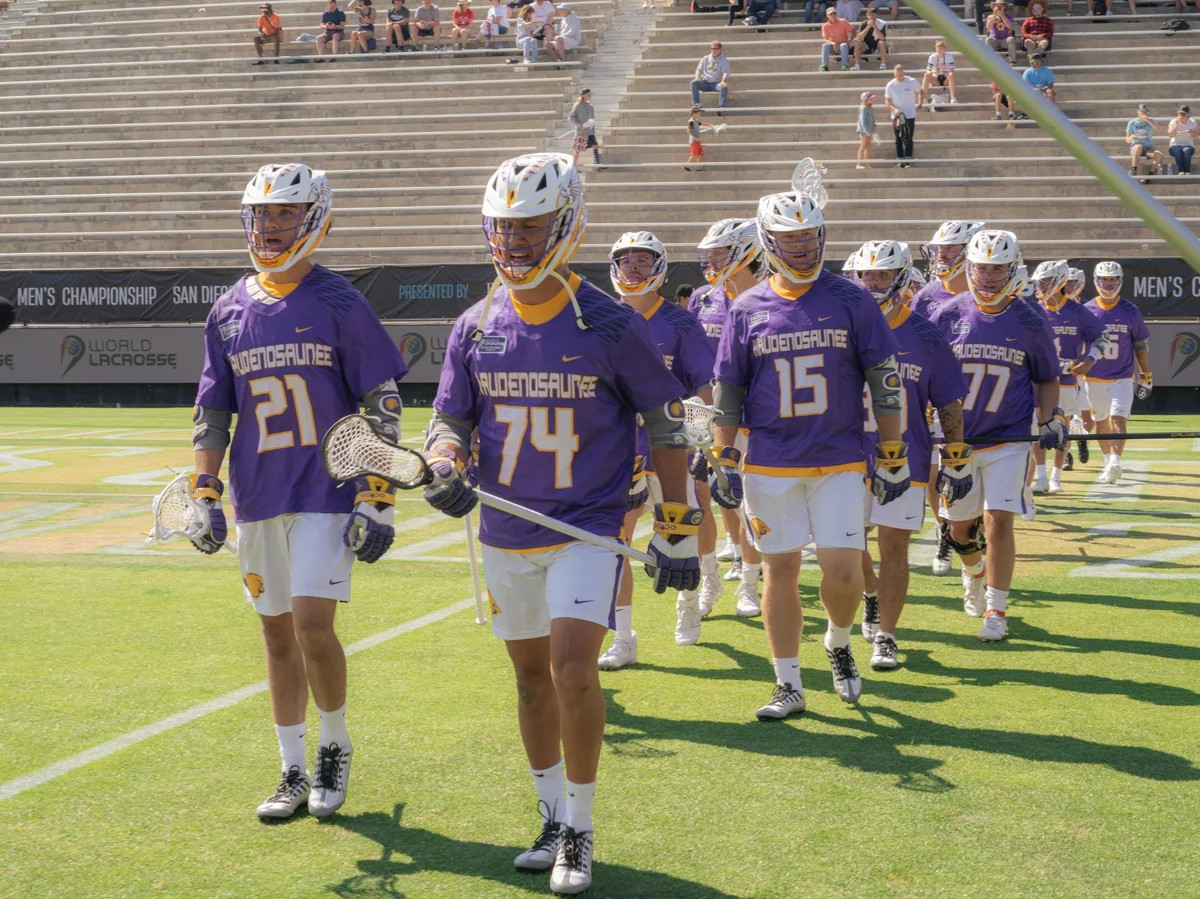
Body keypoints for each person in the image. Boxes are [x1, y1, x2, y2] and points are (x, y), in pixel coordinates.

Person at [423, 152, 699, 895]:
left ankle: (580, 824)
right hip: (508, 529)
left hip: (587, 524)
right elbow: (449, 418)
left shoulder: (606, 320)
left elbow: (666, 424)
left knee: (572, 668)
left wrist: (677, 521)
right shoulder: (475, 323)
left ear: (566, 223)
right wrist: (444, 461)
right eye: (505, 228)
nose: (514, 242)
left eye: (531, 226)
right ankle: (548, 815)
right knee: (527, 679)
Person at [192, 163, 409, 820]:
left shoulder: (341, 301)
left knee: (314, 627)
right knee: (278, 635)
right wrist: (205, 489)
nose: (271, 226)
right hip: (259, 493)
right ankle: (289, 766)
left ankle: (334, 744)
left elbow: (383, 400)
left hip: (326, 488)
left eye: (284, 213)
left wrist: (379, 491)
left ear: (314, 217)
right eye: (263, 214)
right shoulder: (228, 310)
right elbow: (213, 413)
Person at [713, 189, 909, 719]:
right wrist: (723, 455)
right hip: (770, 462)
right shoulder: (747, 307)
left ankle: (839, 642)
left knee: (844, 572)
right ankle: (787, 682)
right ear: (767, 242)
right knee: (780, 570)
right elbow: (728, 389)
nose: (801, 248)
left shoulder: (852, 299)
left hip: (839, 457)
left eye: (808, 236)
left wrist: (893, 449)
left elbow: (886, 381)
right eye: (789, 239)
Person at [928, 230, 1066, 642]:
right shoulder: (947, 314)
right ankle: (974, 571)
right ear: (968, 268)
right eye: (982, 268)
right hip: (956, 441)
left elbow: (1046, 376)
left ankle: (996, 608)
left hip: (1008, 438)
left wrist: (1050, 417)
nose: (988, 277)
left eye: (997, 269)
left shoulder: (1029, 317)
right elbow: (927, 377)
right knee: (958, 529)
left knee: (999, 520)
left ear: (1012, 269)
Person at [847, 240, 969, 670]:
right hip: (845, 455)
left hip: (907, 456)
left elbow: (950, 401)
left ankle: (887, 636)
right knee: (849, 543)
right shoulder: (842, 326)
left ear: (899, 277)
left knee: (893, 546)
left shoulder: (926, 333)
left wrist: (956, 457)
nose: (873, 282)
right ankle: (871, 594)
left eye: (881, 275)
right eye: (866, 275)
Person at [600, 232, 716, 660]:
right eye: (624, 258)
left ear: (661, 267)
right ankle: (624, 637)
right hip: (618, 450)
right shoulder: (600, 319)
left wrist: (700, 440)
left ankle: (688, 605)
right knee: (616, 540)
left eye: (642, 259)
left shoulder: (681, 322)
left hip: (669, 450)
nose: (632, 266)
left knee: (681, 534)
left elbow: (703, 385)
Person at [690, 218, 768, 618]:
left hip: (755, 412)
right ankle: (725, 564)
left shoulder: (770, 297)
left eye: (722, 251)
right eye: (713, 252)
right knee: (709, 492)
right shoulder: (702, 298)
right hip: (706, 411)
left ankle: (751, 582)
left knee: (750, 498)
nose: (713, 260)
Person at [911, 220, 985, 574]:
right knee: (931, 471)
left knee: (976, 473)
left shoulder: (992, 293)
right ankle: (944, 529)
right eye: (940, 250)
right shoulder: (926, 296)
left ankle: (967, 529)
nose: (943, 257)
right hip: (938, 397)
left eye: (951, 249)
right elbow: (912, 346)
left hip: (984, 400)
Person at [1029, 259, 1107, 495]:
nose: (1041, 287)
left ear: (1059, 282)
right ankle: (1040, 476)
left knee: (1061, 429)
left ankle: (1056, 476)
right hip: (1037, 380)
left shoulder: (1078, 311)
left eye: (1046, 282)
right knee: (1036, 429)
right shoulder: (1033, 310)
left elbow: (1102, 338)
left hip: (1066, 381)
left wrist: (1090, 360)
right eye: (1039, 282)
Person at [1080, 261, 1152, 485]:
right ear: (1096, 281)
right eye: (1104, 280)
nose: (1108, 284)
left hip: (1122, 376)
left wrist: (1146, 374)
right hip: (1093, 376)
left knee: (1118, 418)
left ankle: (1115, 462)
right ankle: (1107, 461)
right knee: (1100, 421)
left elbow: (1140, 345)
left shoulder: (1130, 310)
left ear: (1120, 281)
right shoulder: (1087, 310)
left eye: (1112, 280)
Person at [884, 64, 919, 167]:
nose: (899, 77)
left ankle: (908, 159)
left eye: (901, 75)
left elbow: (920, 91)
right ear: (894, 74)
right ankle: (900, 159)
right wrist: (894, 110)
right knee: (898, 138)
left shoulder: (912, 81)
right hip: (897, 116)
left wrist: (920, 104)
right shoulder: (890, 85)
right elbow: (887, 101)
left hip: (910, 114)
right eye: (897, 75)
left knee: (909, 136)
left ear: (904, 73)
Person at [691, 41, 730, 112]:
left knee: (724, 86)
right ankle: (697, 104)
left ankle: (721, 108)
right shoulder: (705, 58)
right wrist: (697, 77)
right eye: (712, 48)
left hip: (716, 84)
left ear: (720, 49)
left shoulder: (724, 60)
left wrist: (723, 80)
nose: (713, 50)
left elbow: (725, 72)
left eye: (715, 48)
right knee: (693, 83)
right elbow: (698, 69)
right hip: (705, 83)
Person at [1126, 104, 1163, 176]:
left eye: (1146, 112)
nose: (1144, 113)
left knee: (1159, 155)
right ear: (1138, 112)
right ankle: (1134, 170)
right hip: (1135, 146)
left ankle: (1150, 174)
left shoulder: (1151, 120)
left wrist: (1148, 120)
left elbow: (1158, 130)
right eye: (1142, 112)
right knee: (1139, 146)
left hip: (1148, 147)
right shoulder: (1132, 122)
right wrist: (1131, 137)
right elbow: (1127, 139)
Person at [569, 88, 602, 168]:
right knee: (577, 149)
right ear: (583, 95)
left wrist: (592, 129)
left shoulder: (591, 106)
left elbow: (592, 120)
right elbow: (571, 117)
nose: (590, 96)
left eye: (590, 94)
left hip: (590, 131)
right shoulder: (577, 106)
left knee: (595, 145)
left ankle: (597, 163)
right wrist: (578, 124)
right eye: (588, 94)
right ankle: (573, 166)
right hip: (581, 132)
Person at [921, 40, 959, 106]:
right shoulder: (932, 57)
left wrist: (946, 71)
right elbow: (928, 71)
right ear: (936, 49)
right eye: (938, 49)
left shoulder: (949, 56)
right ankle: (923, 98)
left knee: (951, 74)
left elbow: (952, 70)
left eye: (941, 49)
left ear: (945, 49)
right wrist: (934, 71)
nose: (940, 50)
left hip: (946, 79)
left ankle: (953, 98)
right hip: (935, 79)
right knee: (926, 75)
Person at [820, 6, 855, 72]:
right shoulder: (825, 26)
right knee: (825, 46)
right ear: (827, 15)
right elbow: (825, 39)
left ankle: (844, 65)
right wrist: (833, 43)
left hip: (843, 46)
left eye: (834, 13)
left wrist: (850, 40)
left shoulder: (843, 21)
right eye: (831, 14)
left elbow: (853, 31)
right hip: (833, 47)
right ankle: (824, 66)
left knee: (843, 45)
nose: (833, 15)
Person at [1168, 105, 1196, 175]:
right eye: (1179, 114)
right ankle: (1181, 171)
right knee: (1177, 150)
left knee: (1186, 151)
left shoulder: (1192, 122)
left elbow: (1198, 136)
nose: (1181, 116)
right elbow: (1170, 135)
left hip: (1188, 145)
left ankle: (1187, 171)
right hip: (1175, 145)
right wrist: (1176, 126)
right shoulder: (1174, 121)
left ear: (1188, 115)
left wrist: (1191, 131)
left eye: (1183, 114)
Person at [685, 104, 711, 172]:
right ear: (694, 113)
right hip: (694, 141)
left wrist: (710, 125)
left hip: (697, 141)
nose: (700, 115)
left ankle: (697, 167)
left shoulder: (696, 121)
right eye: (699, 113)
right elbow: (688, 131)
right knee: (695, 154)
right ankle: (688, 166)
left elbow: (702, 124)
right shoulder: (691, 121)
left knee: (698, 154)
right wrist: (695, 138)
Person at [856, 91, 876, 169]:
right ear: (865, 100)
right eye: (870, 99)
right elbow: (862, 121)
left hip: (869, 130)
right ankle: (858, 164)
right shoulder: (864, 108)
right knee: (863, 146)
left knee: (868, 147)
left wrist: (872, 128)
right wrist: (866, 131)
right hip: (864, 131)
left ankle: (867, 164)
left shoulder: (869, 108)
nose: (872, 100)